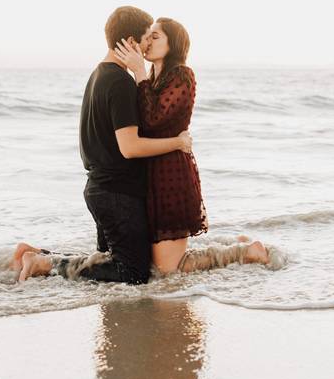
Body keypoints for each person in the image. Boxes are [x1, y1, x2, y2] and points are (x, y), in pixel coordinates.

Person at [13, 6, 191, 284]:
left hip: (101, 188)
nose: (146, 46)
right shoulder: (120, 82)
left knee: (107, 262)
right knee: (132, 273)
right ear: (131, 41)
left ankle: (38, 256)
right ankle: (41, 263)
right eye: (146, 38)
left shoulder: (99, 74)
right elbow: (130, 147)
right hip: (116, 194)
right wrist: (177, 143)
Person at [112, 18, 269, 273]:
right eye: (147, 36)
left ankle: (245, 252)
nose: (147, 41)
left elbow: (153, 119)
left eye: (155, 36)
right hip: (149, 174)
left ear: (172, 43)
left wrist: (138, 73)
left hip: (171, 174)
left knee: (167, 270)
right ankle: (237, 246)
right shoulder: (152, 78)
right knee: (155, 264)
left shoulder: (182, 75)